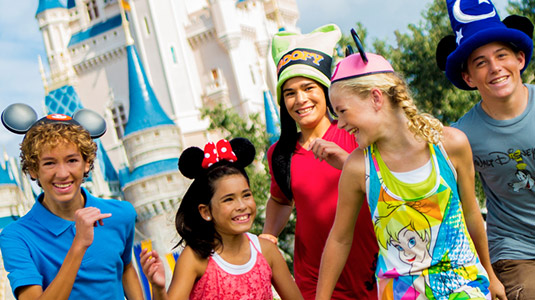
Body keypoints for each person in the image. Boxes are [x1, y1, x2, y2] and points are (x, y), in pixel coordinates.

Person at [315, 50, 504, 299]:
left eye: (342, 111)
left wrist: (491, 276)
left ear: (375, 98)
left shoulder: (450, 145)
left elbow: (472, 214)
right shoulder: (359, 167)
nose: (339, 124)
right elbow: (339, 240)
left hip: (465, 288)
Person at [261, 24, 378, 299]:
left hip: (377, 266)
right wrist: (268, 237)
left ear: (325, 89)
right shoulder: (279, 154)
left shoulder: (356, 132)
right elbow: (280, 199)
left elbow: (388, 180)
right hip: (318, 280)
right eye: (289, 93)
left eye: (308, 88)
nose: (300, 99)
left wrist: (347, 161)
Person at [436, 0, 535, 298]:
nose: (495, 68)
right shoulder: (461, 136)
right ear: (468, 78)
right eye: (480, 62)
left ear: (519, 59)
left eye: (501, 55)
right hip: (515, 249)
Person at [0, 104, 143, 300]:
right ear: (33, 170)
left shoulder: (121, 214)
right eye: (49, 163)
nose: (62, 173)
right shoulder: (17, 236)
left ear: (87, 164)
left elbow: (125, 268)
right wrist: (79, 245)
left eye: (72, 160)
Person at [139, 138, 302, 300]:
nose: (241, 205)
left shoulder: (267, 251)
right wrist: (158, 289)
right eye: (229, 199)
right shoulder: (194, 258)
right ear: (205, 211)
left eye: (246, 195)